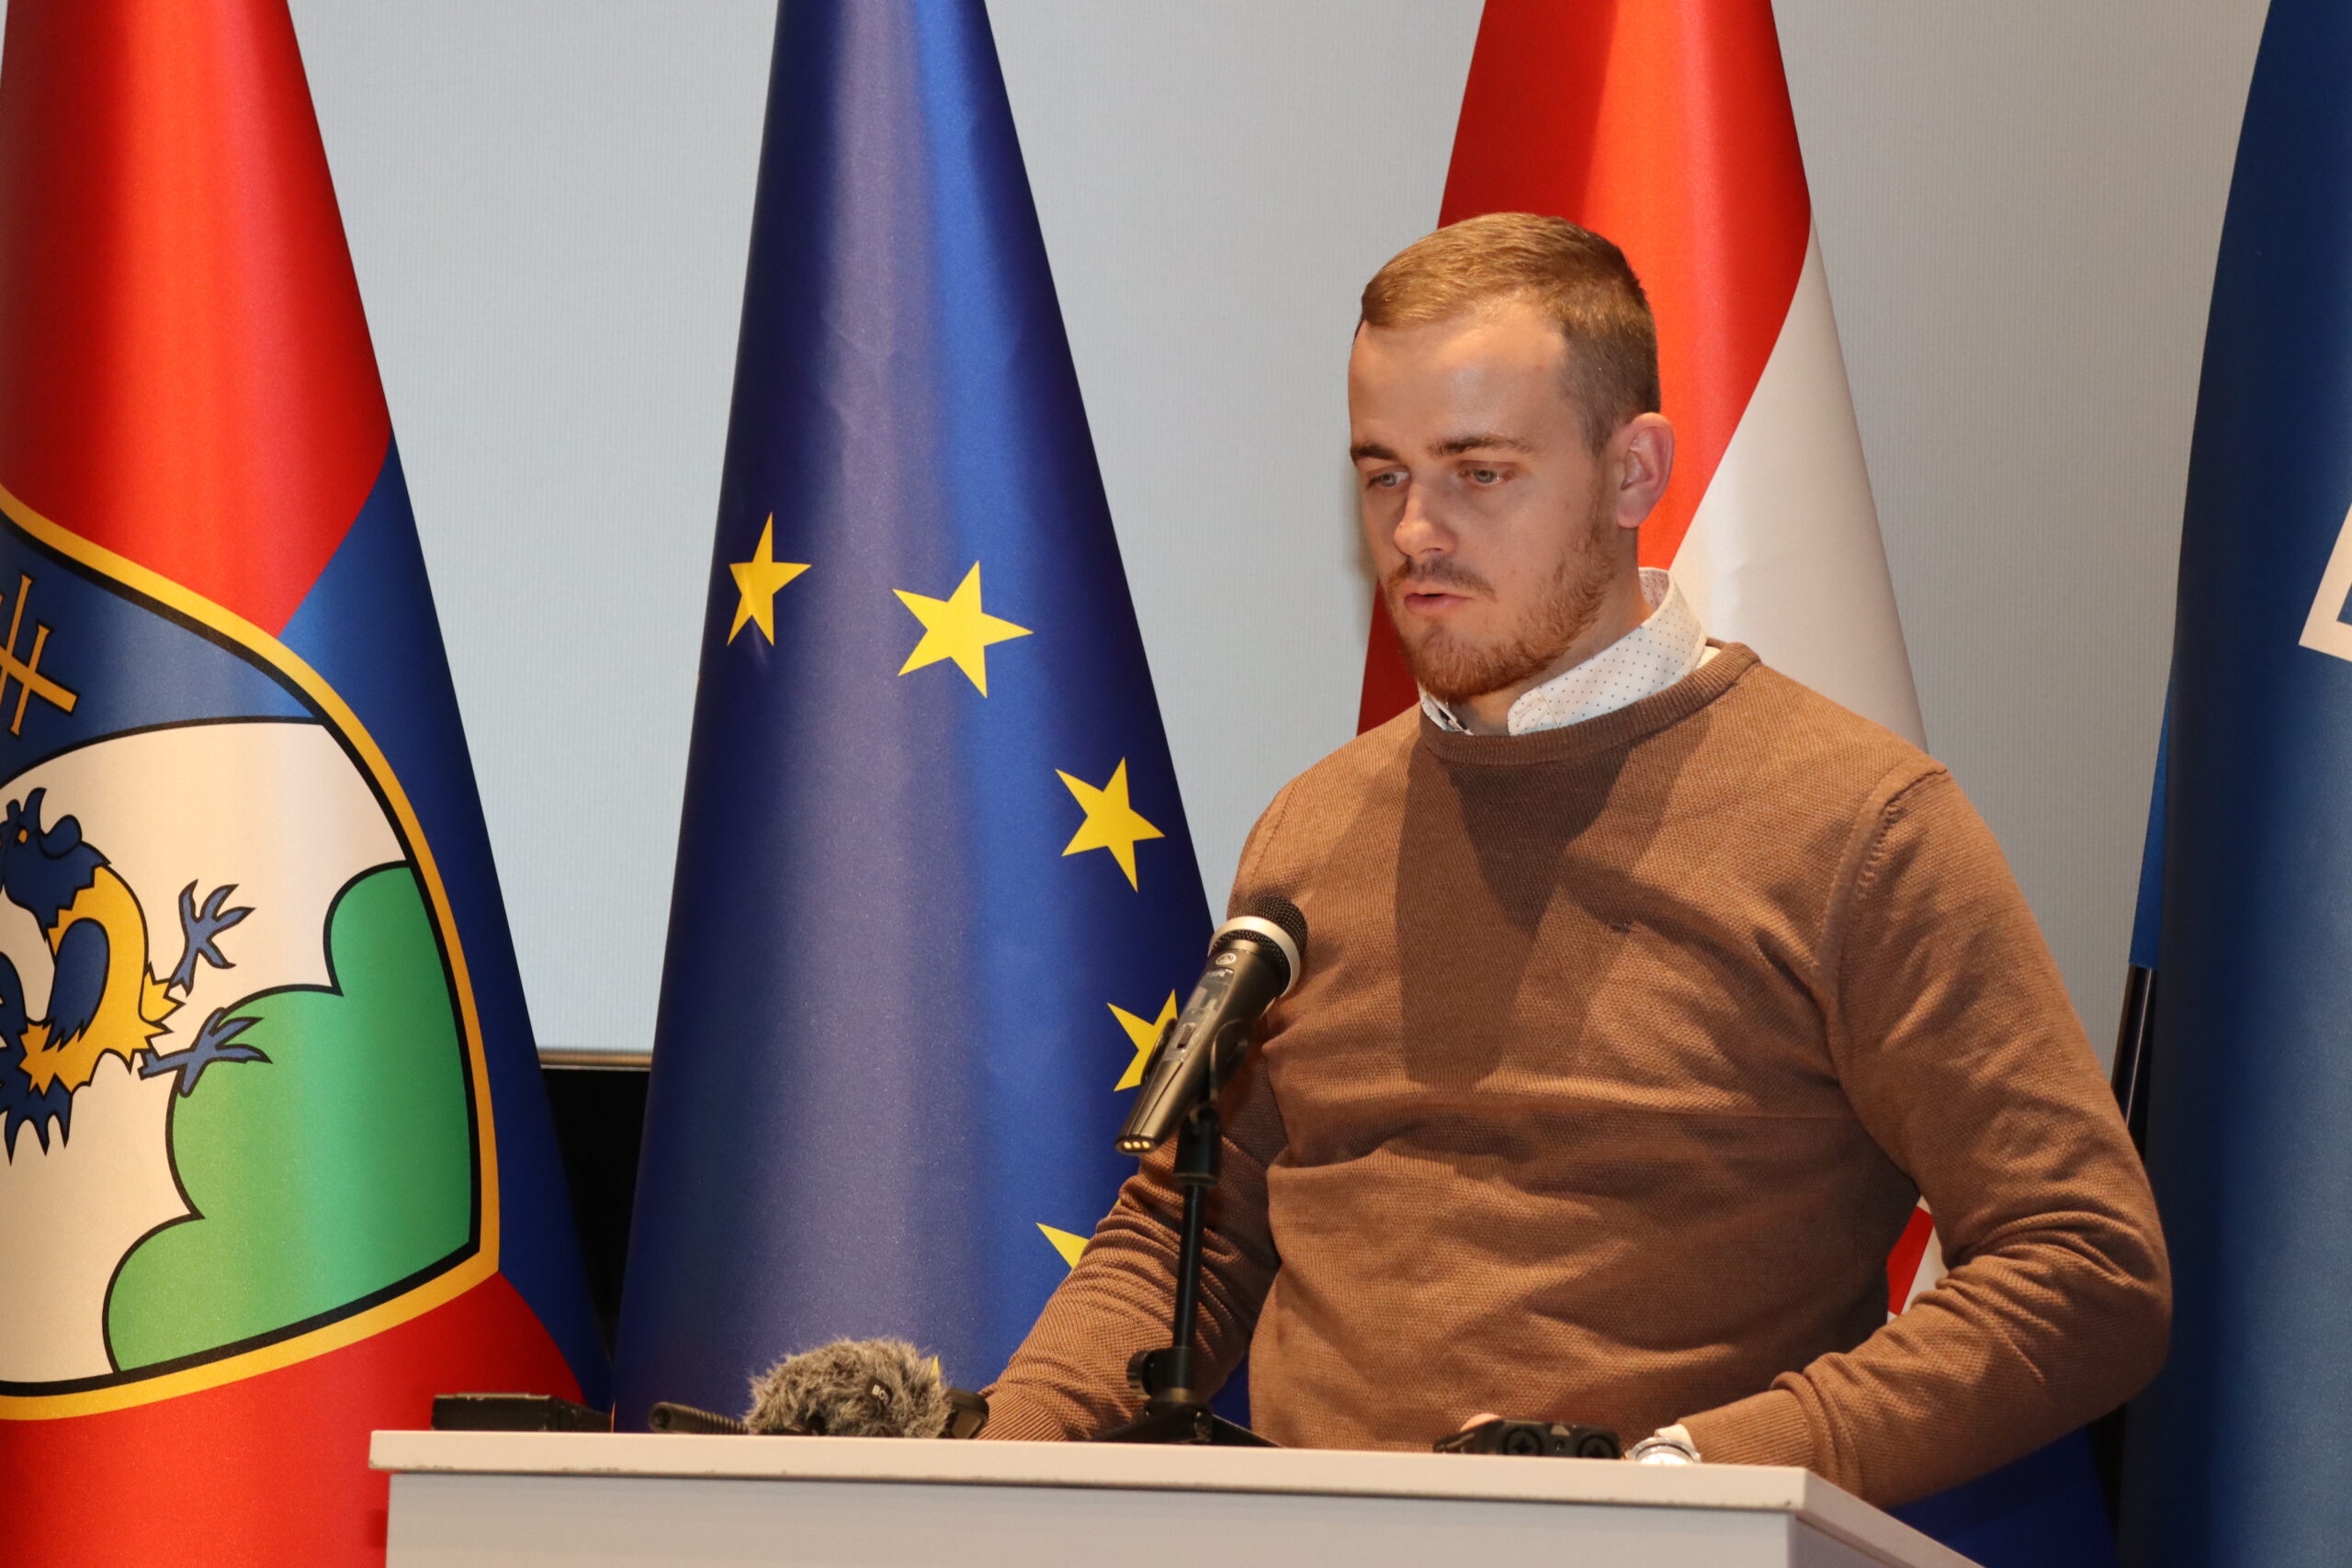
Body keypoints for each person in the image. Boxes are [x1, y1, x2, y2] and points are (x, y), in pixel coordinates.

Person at [978, 212, 2169, 1508]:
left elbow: (2084, 1267)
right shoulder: (1313, 829)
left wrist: (1684, 1479)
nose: (1415, 532)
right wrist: (979, 1468)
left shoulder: (1860, 827)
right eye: (1382, 476)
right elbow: (1192, 1234)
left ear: (1631, 471)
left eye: (1479, 472)